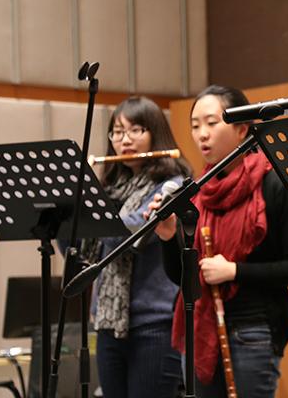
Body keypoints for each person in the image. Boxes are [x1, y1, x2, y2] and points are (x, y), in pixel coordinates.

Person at [150, 85, 288, 398]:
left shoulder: (275, 182)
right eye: (195, 126)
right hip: (200, 328)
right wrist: (168, 238)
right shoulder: (195, 191)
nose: (201, 135)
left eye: (212, 123)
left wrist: (234, 271)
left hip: (255, 329)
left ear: (241, 129)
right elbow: (184, 279)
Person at [77, 96, 192, 398]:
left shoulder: (172, 185)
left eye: (135, 130)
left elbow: (134, 233)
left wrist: (91, 205)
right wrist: (72, 205)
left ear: (155, 132)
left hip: (154, 325)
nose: (124, 140)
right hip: (107, 323)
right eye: (117, 132)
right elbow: (78, 252)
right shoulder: (110, 189)